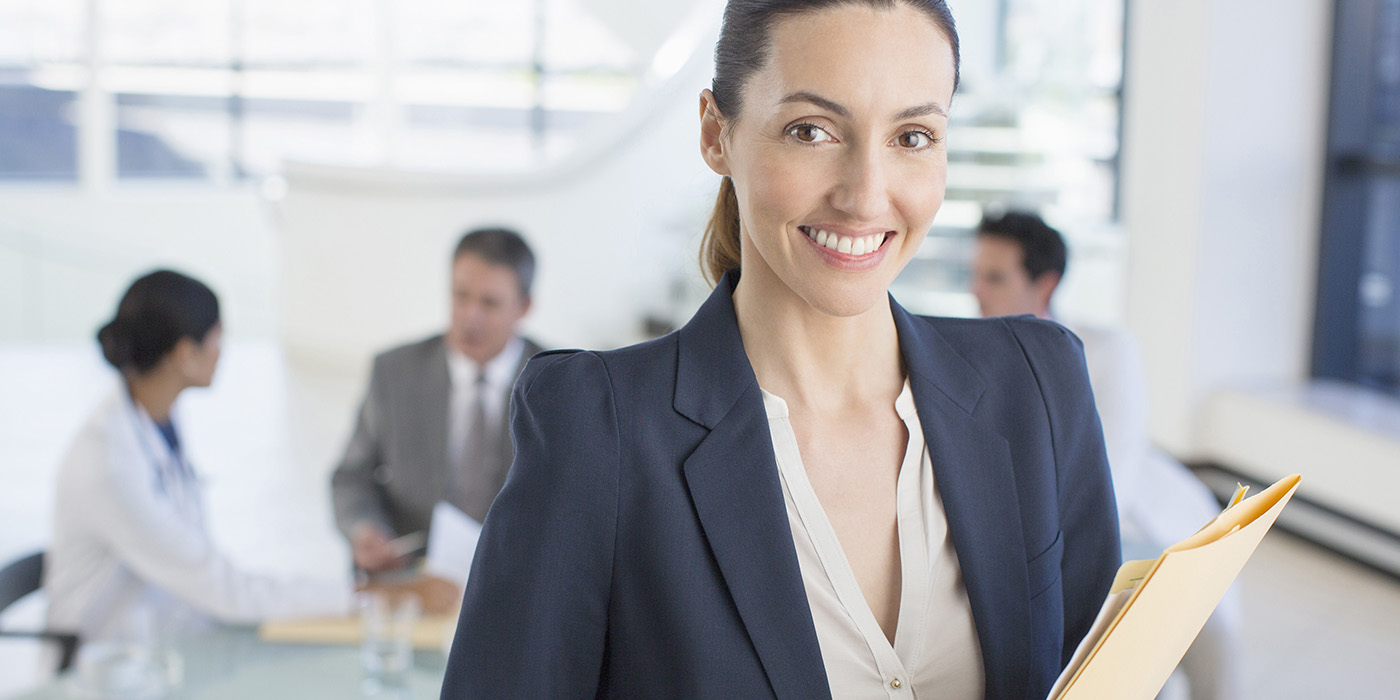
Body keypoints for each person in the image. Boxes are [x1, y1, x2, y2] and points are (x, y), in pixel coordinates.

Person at [441, 2, 1120, 698]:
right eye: (811, 130)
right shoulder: (599, 431)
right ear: (716, 134)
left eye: (912, 137)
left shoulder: (1038, 386)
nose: (865, 197)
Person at [44, 270, 455, 656]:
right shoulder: (111, 465)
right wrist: (380, 597)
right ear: (185, 355)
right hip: (108, 667)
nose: (224, 351)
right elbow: (223, 590)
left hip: (169, 638)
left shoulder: (154, 418)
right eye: (218, 338)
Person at [970, 209, 1240, 700]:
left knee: (1192, 619)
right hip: (1027, 538)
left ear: (1045, 284)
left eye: (994, 277)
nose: (977, 292)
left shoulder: (1107, 350)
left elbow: (1110, 478)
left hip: (1127, 523)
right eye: (974, 276)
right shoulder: (969, 359)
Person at [331, 228, 543, 573]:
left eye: (489, 303)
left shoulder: (563, 383)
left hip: (522, 575)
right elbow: (351, 477)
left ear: (524, 307)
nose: (469, 316)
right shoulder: (395, 372)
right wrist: (365, 530)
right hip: (414, 576)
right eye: (460, 296)